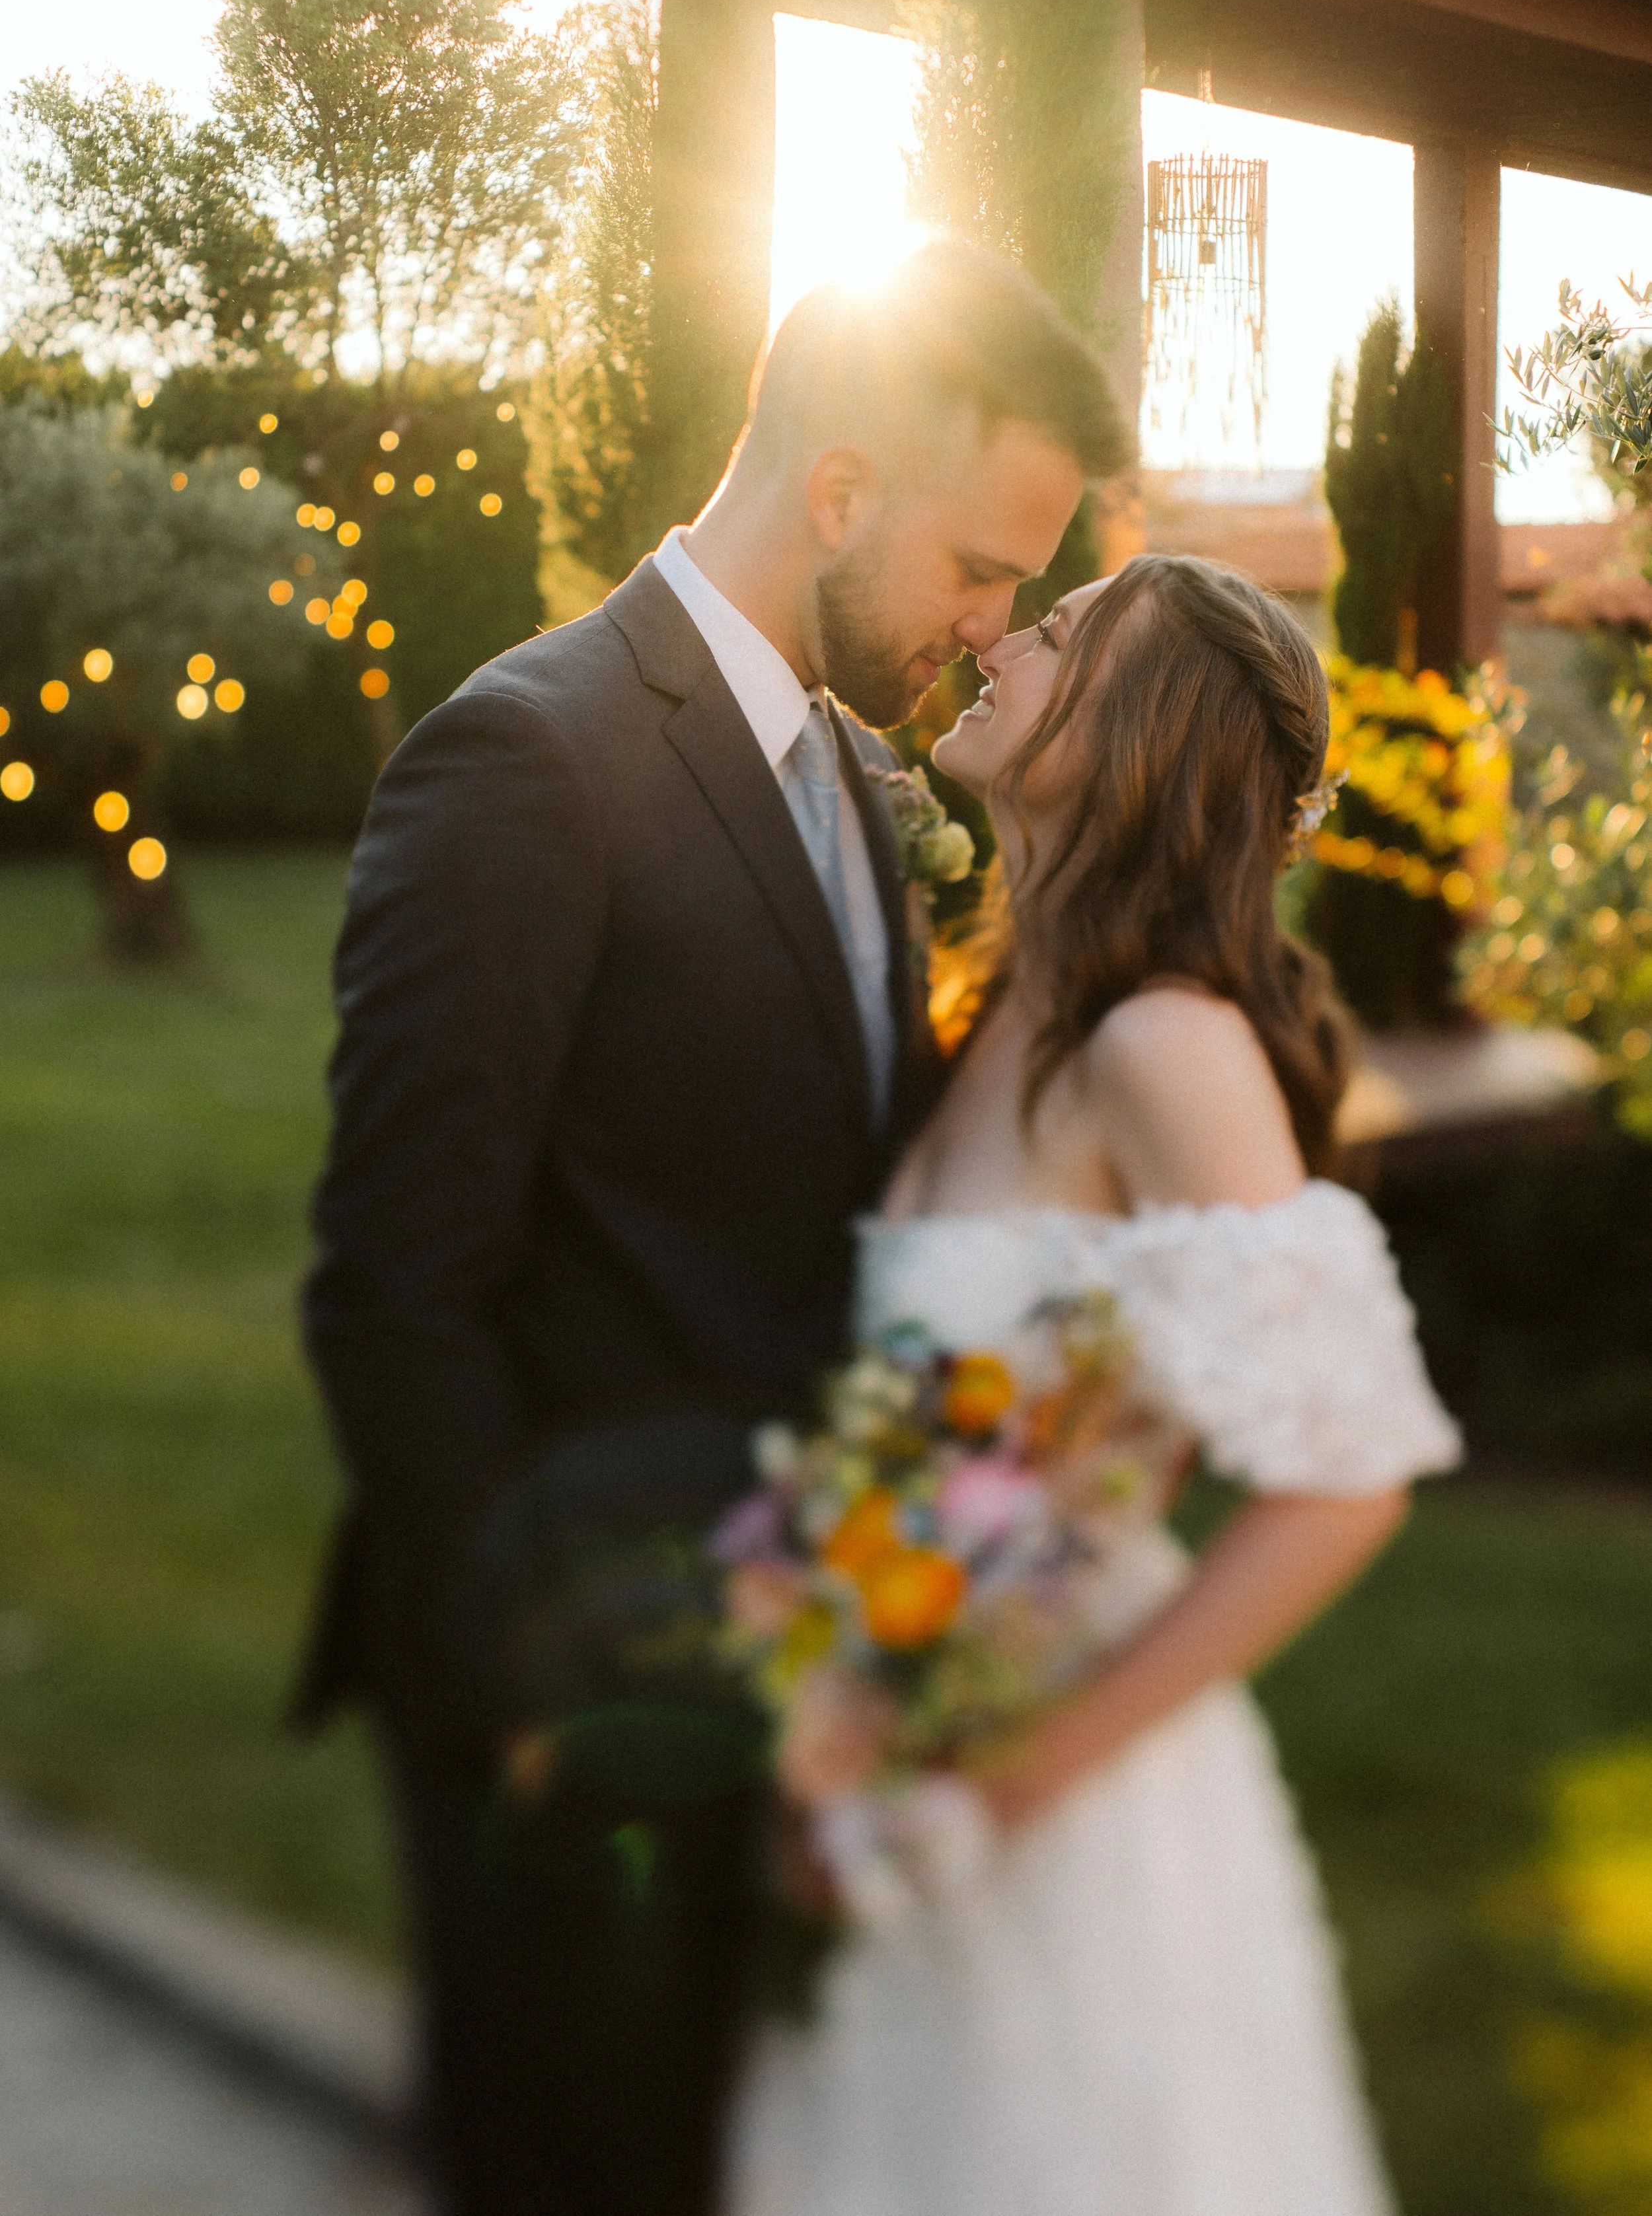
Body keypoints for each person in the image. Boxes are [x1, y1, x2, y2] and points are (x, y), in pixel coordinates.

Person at [297, 240, 1128, 2216]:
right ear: (839, 493)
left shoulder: (851, 770)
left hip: (765, 1666)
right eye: (983, 570)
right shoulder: (531, 754)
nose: (995, 626)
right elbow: (395, 1282)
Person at [728, 552, 1462, 2216]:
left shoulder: (1161, 1047)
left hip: (1075, 1809)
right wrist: (855, 1689)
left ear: (1146, 724)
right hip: (922, 1744)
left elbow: (1343, 1481)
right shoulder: (990, 1011)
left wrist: (1012, 1773)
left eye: (1056, 634)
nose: (992, 628)